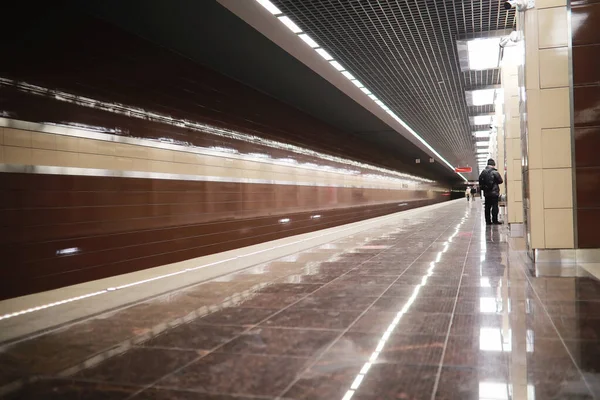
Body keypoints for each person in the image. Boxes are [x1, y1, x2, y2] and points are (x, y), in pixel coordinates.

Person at [478, 159, 504, 225]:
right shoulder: (495, 172)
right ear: (493, 164)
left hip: (486, 193)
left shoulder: (483, 172)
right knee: (495, 206)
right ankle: (495, 220)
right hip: (494, 193)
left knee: (487, 207)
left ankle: (488, 221)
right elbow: (500, 181)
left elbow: (480, 182)